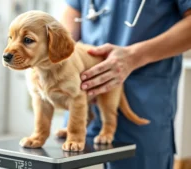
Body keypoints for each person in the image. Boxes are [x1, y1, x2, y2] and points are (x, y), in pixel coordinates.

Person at [61, 0, 191, 169]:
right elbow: (73, 10)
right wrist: (60, 57)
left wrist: (134, 56)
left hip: (143, 97)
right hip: (82, 98)